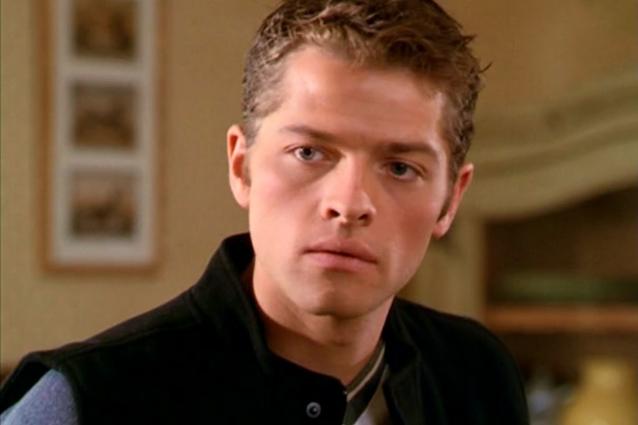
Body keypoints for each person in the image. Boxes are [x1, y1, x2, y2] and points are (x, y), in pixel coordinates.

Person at [0, 0, 530, 423]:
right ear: (242, 167)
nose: (348, 204)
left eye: (399, 168)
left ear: (451, 199)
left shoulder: (476, 376)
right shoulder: (84, 403)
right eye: (309, 153)